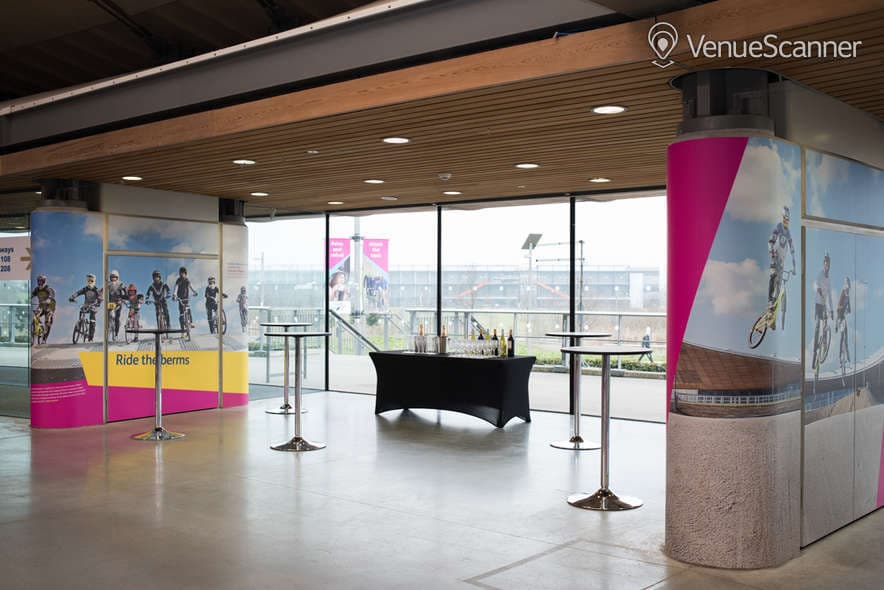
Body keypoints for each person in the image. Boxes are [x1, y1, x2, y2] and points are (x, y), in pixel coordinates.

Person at [767, 206, 796, 326]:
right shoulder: (778, 227)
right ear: (782, 218)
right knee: (773, 277)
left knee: (779, 291)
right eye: (785, 218)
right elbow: (770, 242)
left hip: (782, 264)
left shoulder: (788, 233)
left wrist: (795, 266)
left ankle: (772, 318)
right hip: (775, 259)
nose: (786, 221)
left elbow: (793, 250)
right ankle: (769, 303)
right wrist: (773, 256)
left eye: (788, 219)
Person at [812, 253, 834, 369]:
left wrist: (832, 310)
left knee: (825, 324)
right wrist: (818, 288)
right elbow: (815, 283)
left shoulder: (829, 279)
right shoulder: (819, 274)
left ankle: (824, 344)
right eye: (825, 264)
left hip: (825, 304)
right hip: (818, 303)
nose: (827, 266)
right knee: (817, 325)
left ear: (829, 266)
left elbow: (830, 295)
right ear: (823, 264)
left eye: (828, 264)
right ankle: (815, 349)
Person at [69, 273, 102, 342]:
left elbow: (100, 296)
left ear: (94, 281)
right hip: (86, 305)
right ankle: (80, 324)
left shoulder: (96, 290)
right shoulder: (85, 289)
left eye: (91, 281)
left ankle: (91, 337)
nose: (90, 282)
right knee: (81, 310)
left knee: (92, 320)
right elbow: (78, 293)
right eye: (88, 281)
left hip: (93, 306)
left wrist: (99, 301)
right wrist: (72, 297)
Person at [30, 274, 56, 343]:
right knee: (35, 316)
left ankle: (44, 339)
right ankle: (36, 331)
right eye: (38, 281)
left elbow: (51, 294)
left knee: (48, 322)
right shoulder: (37, 289)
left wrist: (49, 299)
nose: (39, 283)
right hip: (41, 305)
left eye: (41, 281)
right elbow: (32, 295)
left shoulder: (48, 288)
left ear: (44, 281)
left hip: (50, 306)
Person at [106, 269, 126, 340]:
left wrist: (125, 297)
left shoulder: (121, 283)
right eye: (111, 277)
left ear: (117, 277)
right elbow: (102, 290)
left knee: (117, 318)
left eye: (114, 277)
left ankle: (116, 334)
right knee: (109, 317)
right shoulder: (108, 283)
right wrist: (99, 295)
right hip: (111, 303)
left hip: (118, 302)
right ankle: (109, 330)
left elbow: (125, 290)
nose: (113, 278)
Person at [836, 276, 851, 366]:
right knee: (842, 336)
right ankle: (839, 356)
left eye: (849, 287)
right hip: (839, 315)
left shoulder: (848, 296)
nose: (848, 289)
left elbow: (850, 308)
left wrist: (848, 310)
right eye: (847, 287)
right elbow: (838, 305)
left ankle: (847, 352)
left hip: (843, 317)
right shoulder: (843, 293)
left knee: (846, 334)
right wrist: (843, 309)